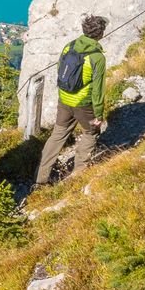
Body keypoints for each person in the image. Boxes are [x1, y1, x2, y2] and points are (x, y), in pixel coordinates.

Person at [37, 14, 108, 184]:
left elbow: (60, 69)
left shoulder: (69, 46)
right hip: (83, 104)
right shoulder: (97, 57)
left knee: (58, 134)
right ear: (100, 33)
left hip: (64, 99)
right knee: (91, 132)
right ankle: (79, 174)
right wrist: (98, 114)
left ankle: (41, 176)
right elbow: (98, 90)